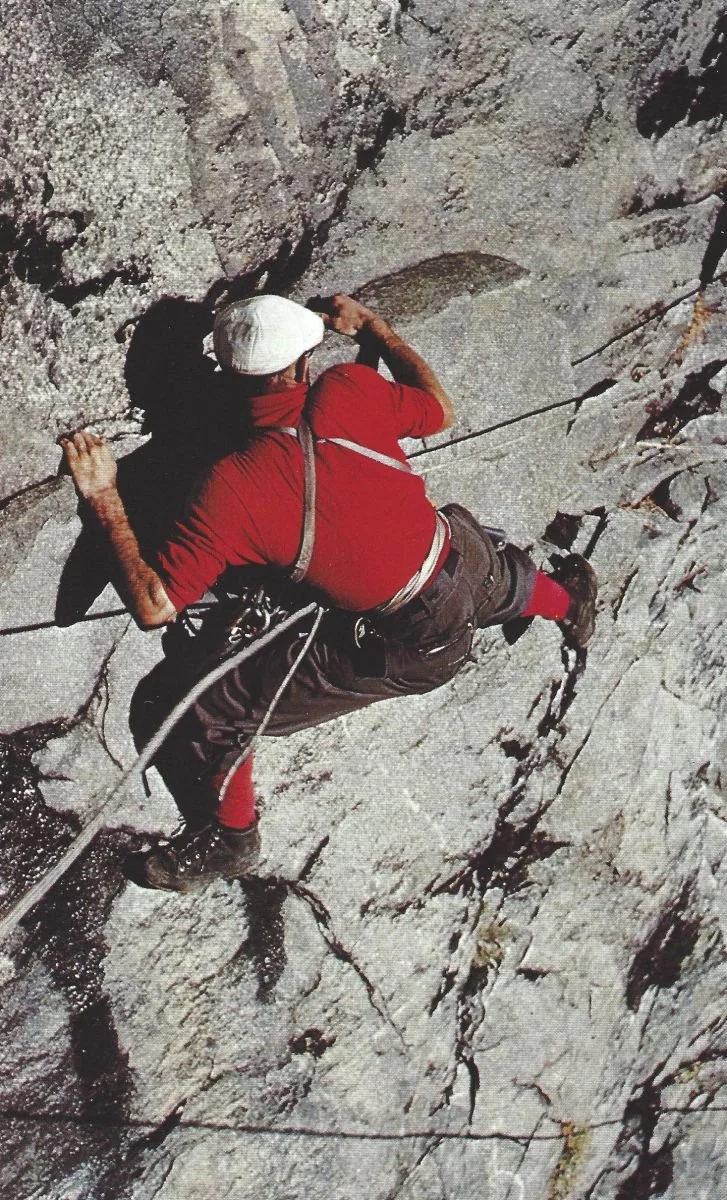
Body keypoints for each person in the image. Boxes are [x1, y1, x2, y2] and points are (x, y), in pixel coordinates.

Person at [60, 293, 597, 893]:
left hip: (411, 641)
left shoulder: (233, 486)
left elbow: (156, 606)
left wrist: (104, 496)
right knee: (496, 584)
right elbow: (439, 410)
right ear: (302, 364)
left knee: (203, 705)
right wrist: (378, 329)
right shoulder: (350, 389)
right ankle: (570, 603)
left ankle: (231, 839)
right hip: (458, 551)